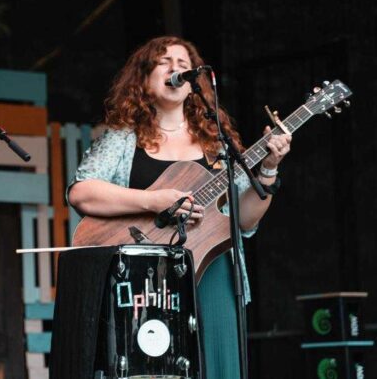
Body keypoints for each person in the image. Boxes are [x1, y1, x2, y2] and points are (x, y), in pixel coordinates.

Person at [67, 36, 291, 378]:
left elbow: (244, 220)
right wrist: (153, 200)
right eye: (164, 63)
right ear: (143, 79)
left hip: (212, 267)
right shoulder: (124, 138)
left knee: (219, 366)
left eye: (184, 66)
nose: (175, 70)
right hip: (144, 275)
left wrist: (269, 169)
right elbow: (81, 192)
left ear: (194, 83)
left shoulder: (219, 144)